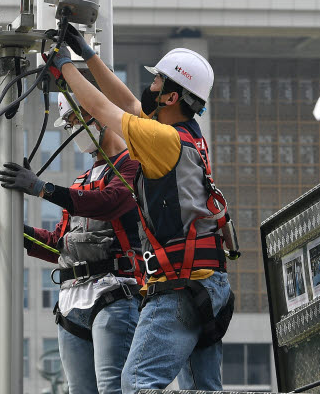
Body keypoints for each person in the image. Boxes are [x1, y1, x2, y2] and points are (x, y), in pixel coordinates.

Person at [50, 25, 235, 394]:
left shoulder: (162, 139)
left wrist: (63, 70)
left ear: (171, 96)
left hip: (179, 287)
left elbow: (103, 109)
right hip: (208, 285)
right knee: (203, 388)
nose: (149, 89)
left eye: (157, 83)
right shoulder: (184, 135)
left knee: (136, 384)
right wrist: (86, 54)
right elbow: (129, 105)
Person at [0, 93, 142, 394]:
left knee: (112, 388)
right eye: (70, 124)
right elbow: (58, 245)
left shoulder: (132, 166)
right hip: (70, 302)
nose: (74, 130)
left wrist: (40, 188)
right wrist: (8, 223)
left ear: (101, 116)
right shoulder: (81, 181)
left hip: (114, 294)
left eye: (77, 121)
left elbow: (107, 203)